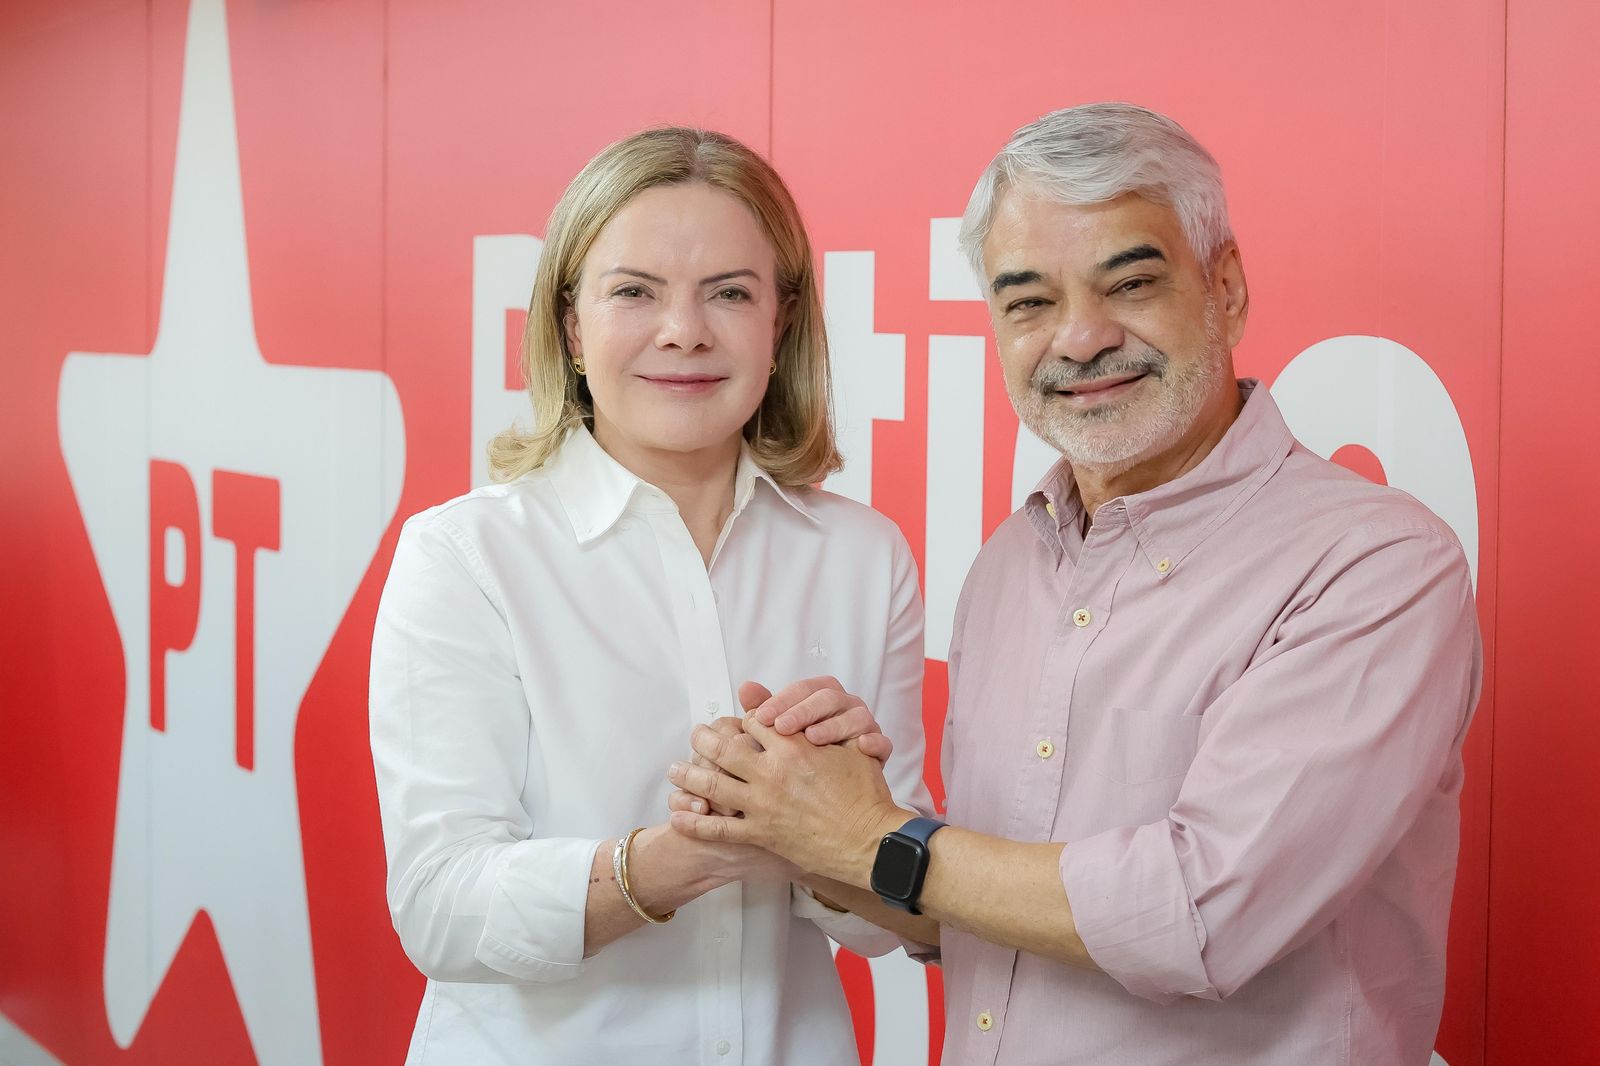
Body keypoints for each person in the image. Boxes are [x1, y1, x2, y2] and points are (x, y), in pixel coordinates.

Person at [671, 102, 1482, 1065]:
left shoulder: (1374, 564)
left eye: (1129, 282)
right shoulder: (1012, 566)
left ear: (1225, 289)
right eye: (1028, 301)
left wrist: (872, 837)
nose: (1082, 337)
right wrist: (807, 823)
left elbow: (1203, 916)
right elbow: (976, 910)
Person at [369, 126, 931, 1064]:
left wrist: (842, 834)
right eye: (634, 291)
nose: (685, 330)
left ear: (781, 324)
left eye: (731, 293)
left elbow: (892, 922)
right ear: (569, 326)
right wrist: (687, 858)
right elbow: (440, 905)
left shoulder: (864, 556)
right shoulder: (465, 557)